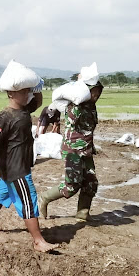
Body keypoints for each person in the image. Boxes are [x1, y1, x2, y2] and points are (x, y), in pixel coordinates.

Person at [0, 83, 57, 252]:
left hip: (17, 165)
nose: (27, 94)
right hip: (16, 168)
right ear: (11, 93)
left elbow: (38, 100)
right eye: (23, 91)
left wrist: (35, 86)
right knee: (28, 200)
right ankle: (38, 241)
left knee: (2, 194)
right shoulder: (4, 116)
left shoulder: (24, 110)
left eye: (27, 90)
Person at [38, 81, 104, 222]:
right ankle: (44, 197)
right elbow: (73, 118)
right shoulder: (75, 106)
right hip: (72, 150)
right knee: (72, 185)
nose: (96, 95)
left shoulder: (92, 107)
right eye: (94, 92)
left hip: (86, 150)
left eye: (99, 92)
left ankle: (82, 214)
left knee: (91, 183)